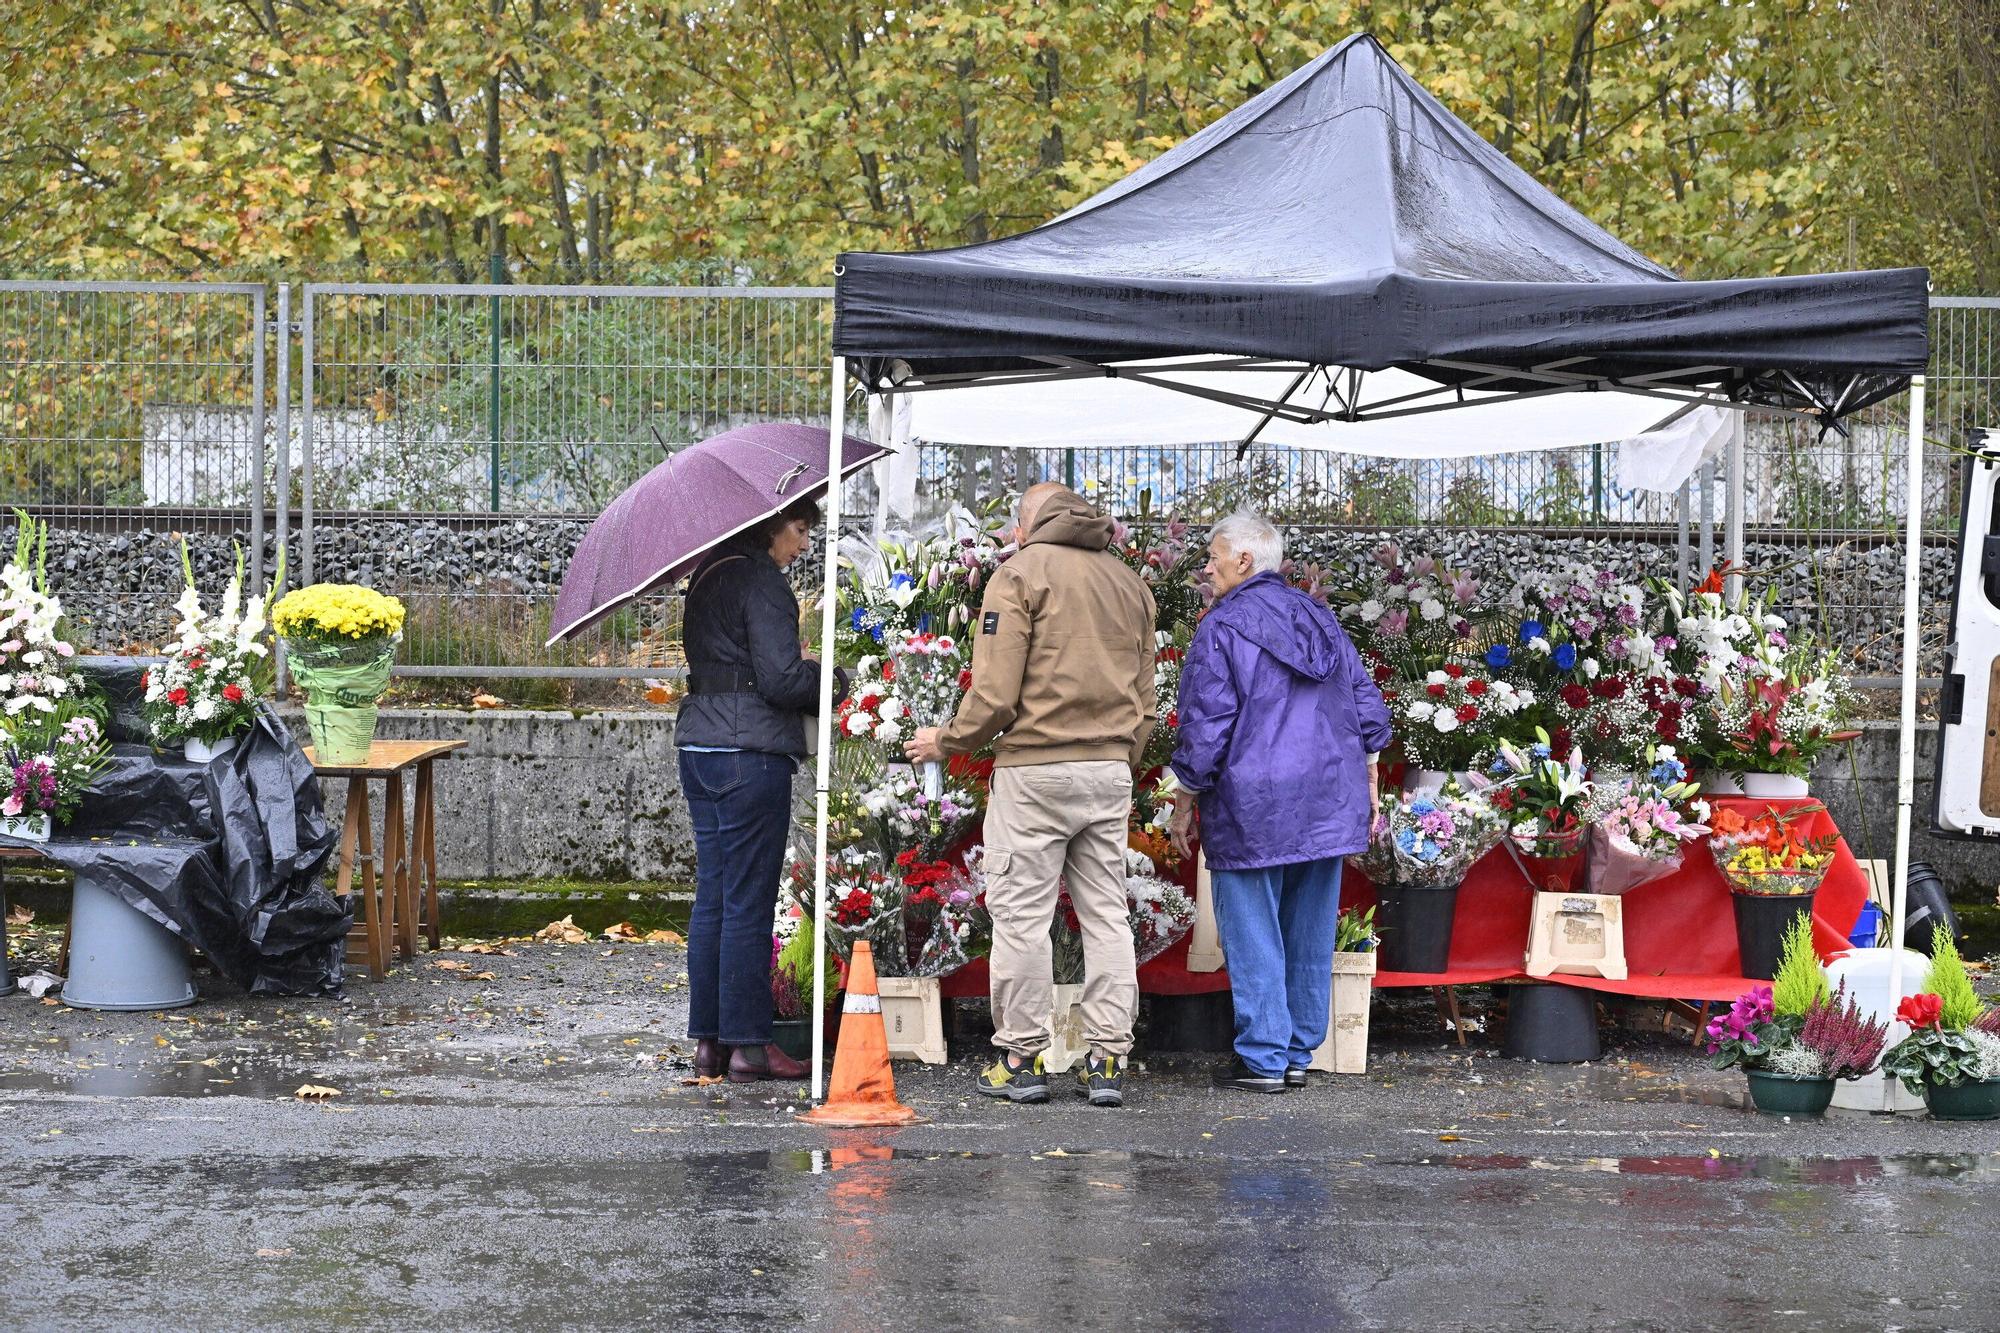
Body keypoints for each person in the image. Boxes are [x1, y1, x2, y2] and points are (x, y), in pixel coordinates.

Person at [905, 482, 1157, 1108]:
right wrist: (1120, 759)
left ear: (1030, 522)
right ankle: (1106, 1061)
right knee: (1107, 914)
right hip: (1107, 773)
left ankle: (1022, 1060)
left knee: (1022, 918)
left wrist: (948, 741)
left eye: (1016, 522)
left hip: (1034, 774)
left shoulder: (1017, 576)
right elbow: (1148, 699)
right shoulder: (1131, 584)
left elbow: (994, 694)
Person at [1169, 510, 1390, 1093]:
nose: (1207, 565)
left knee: (1253, 927)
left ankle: (1263, 1056)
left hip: (1254, 800)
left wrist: (1185, 797)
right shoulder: (1319, 617)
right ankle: (1295, 1050)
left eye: (1214, 555)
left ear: (1244, 560)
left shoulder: (1222, 626)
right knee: (1308, 926)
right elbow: (1368, 706)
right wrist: (1367, 774)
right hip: (1327, 793)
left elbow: (1206, 724)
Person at [676, 495, 846, 1083]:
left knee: (715, 897)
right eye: (799, 530)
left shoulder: (707, 575)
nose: (802, 545)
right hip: (749, 756)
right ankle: (750, 1046)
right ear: (773, 525)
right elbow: (780, 680)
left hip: (699, 748)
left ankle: (710, 1044)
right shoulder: (764, 583)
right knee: (747, 902)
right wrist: (834, 678)